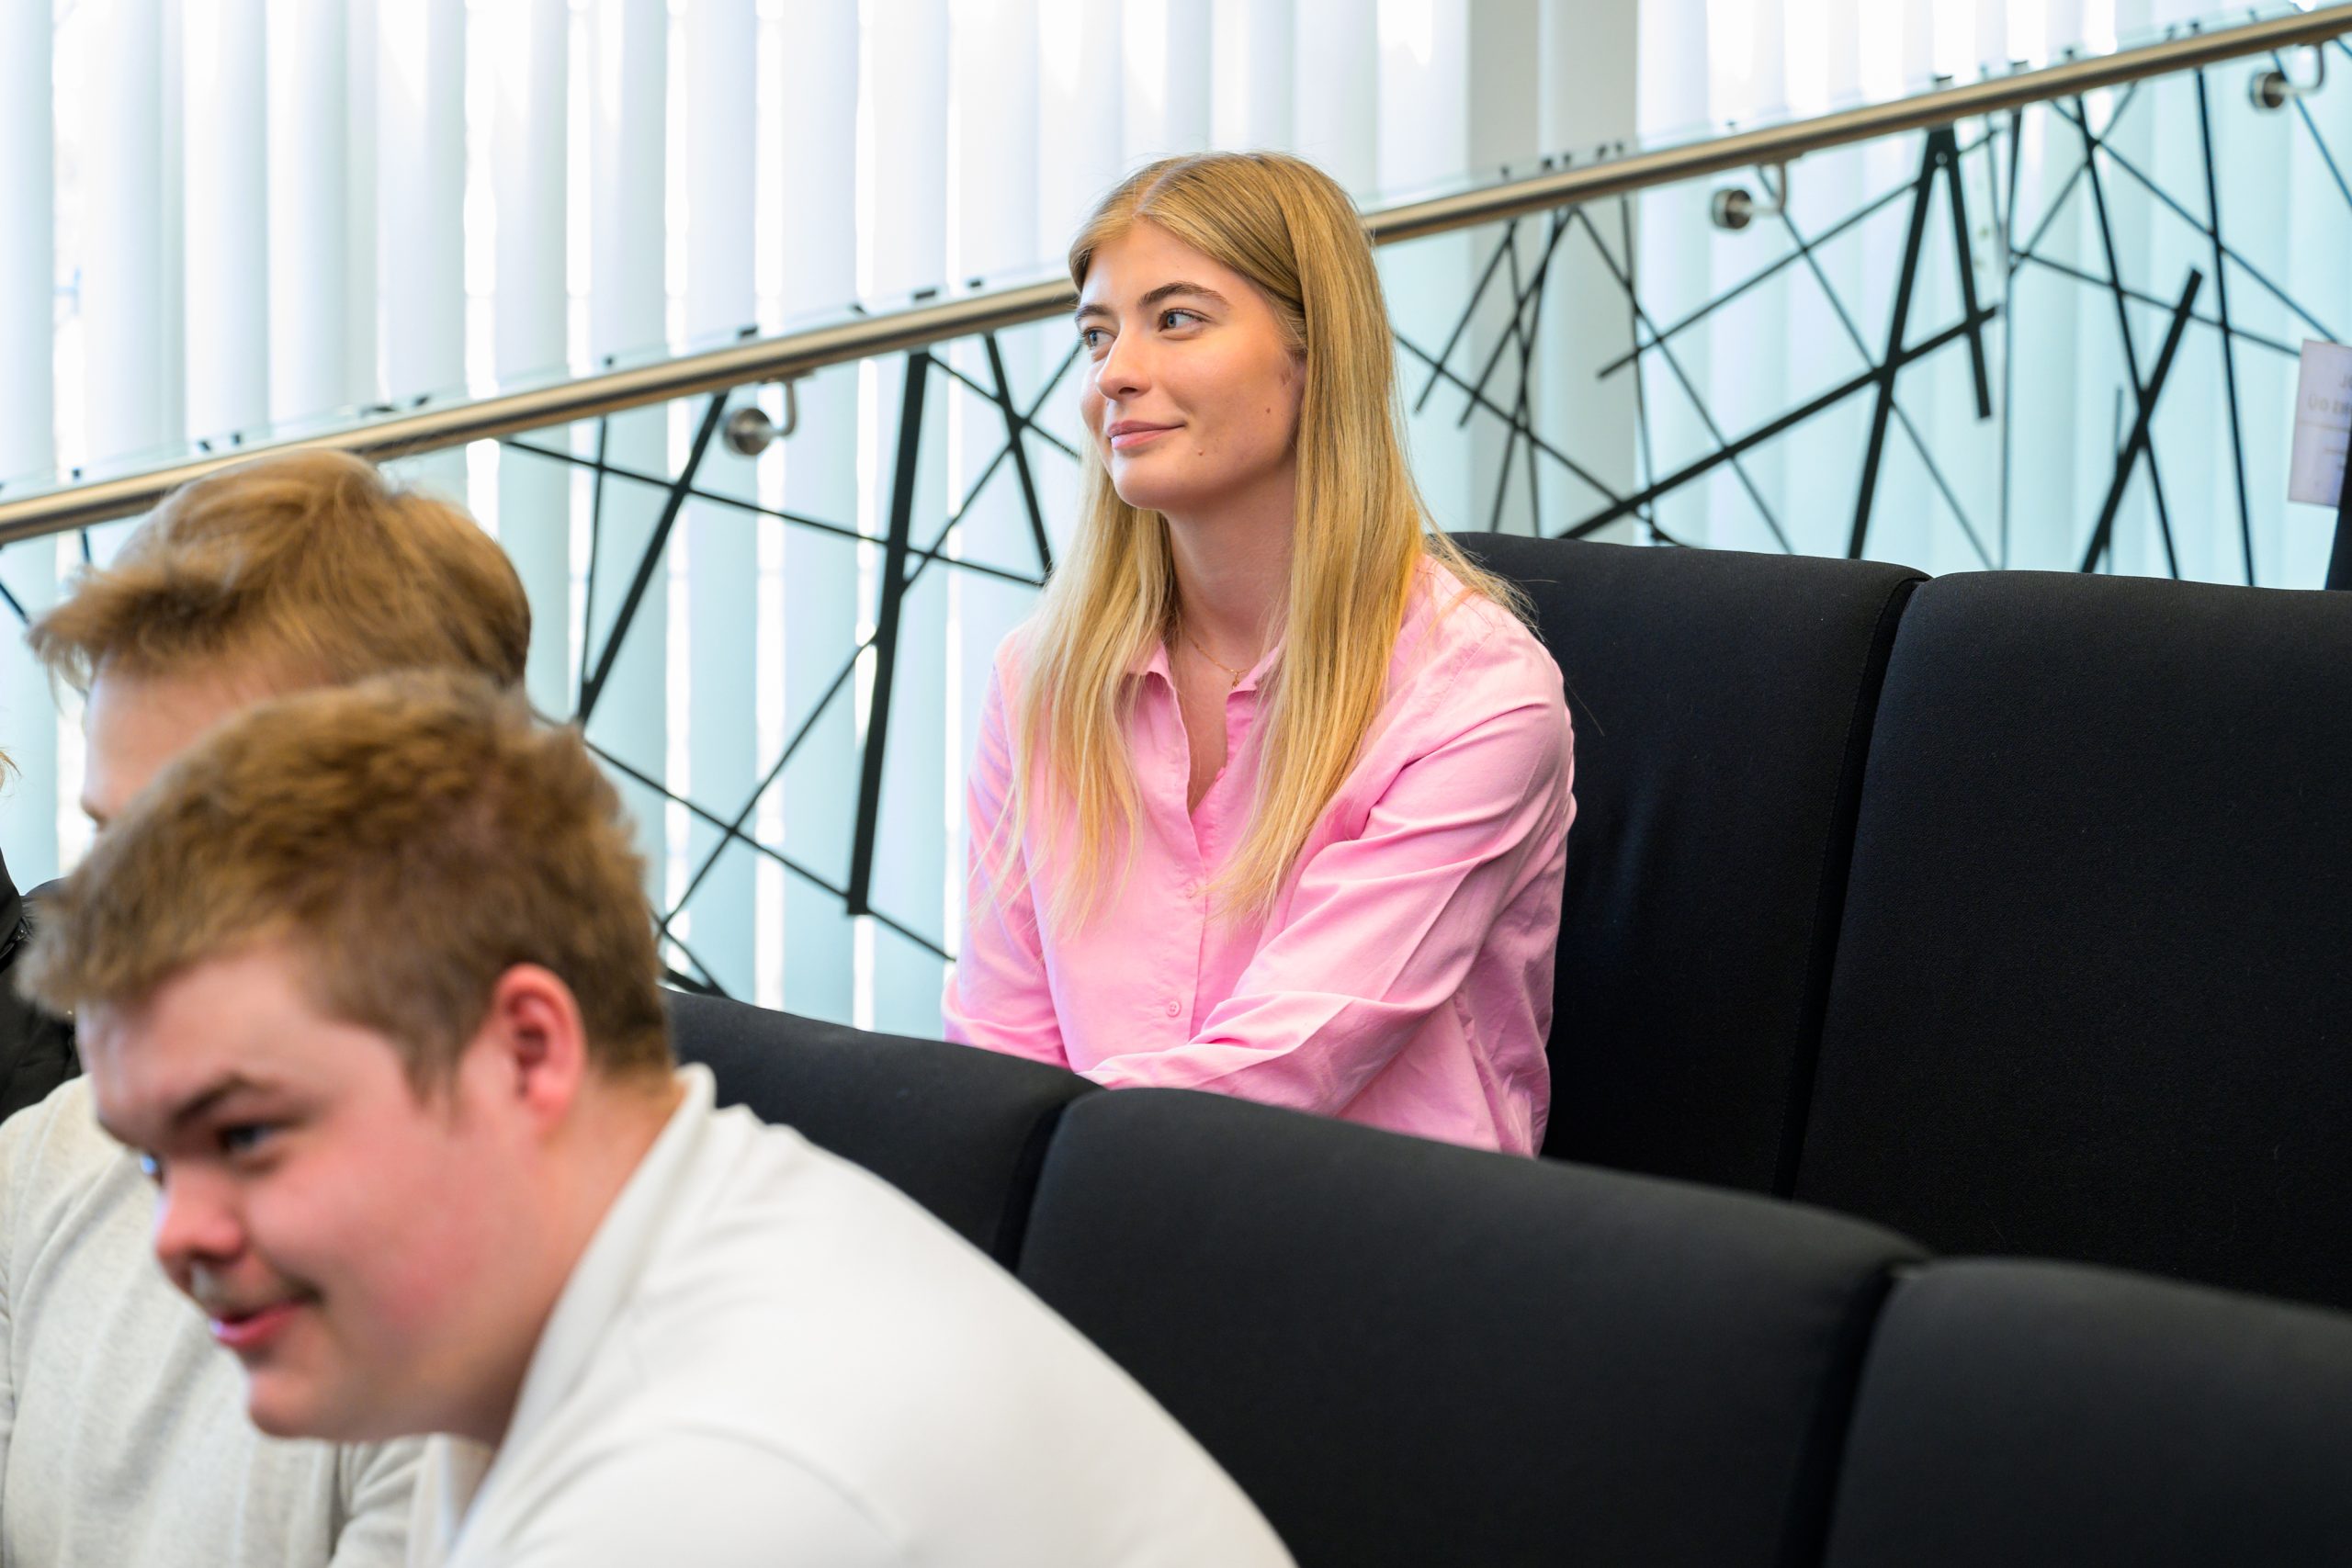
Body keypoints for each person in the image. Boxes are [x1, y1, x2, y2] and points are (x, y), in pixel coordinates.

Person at [23, 671, 1295, 1568]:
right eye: (154, 1160)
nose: (177, 1236)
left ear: (527, 1050)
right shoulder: (647, 1258)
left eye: (247, 1136)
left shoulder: (711, 1486)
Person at [943, 152, 1576, 1156]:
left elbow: (1287, 1063)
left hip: (1372, 1235)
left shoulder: (1478, 698)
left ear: (1312, 355)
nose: (1113, 374)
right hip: (1090, 1212)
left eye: (1176, 318)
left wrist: (1024, 1162)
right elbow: (997, 1039)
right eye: (1097, 334)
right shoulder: (1040, 680)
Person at [0, 450, 533, 1565]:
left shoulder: (494, 1310)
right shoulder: (44, 1162)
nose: (122, 919)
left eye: (199, 843)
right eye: (111, 837)